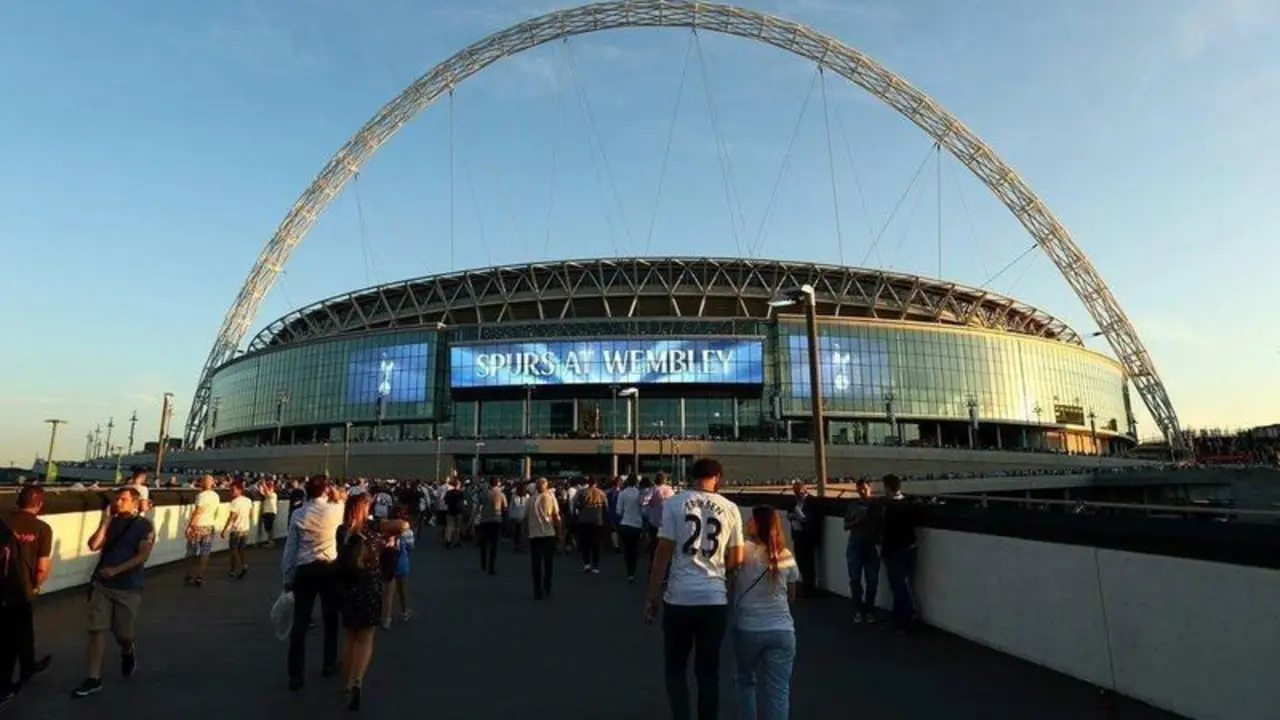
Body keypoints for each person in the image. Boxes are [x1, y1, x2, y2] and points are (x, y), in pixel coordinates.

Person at [645, 458, 745, 720]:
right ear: (718, 477)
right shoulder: (730, 508)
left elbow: (663, 552)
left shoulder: (674, 503)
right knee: (708, 672)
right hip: (714, 598)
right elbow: (736, 559)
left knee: (676, 667)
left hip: (679, 598)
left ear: (692, 476)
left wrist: (652, 595)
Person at [71, 487, 156, 698]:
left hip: (128, 587)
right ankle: (93, 678)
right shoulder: (112, 522)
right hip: (103, 586)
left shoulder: (144, 526)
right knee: (96, 630)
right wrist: (106, 521)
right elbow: (93, 545)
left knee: (123, 633)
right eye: (117, 499)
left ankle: (127, 650)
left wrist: (116, 570)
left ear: (135, 503)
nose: (119, 502)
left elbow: (143, 555)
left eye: (124, 499)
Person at [336, 493, 408, 711]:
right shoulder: (373, 529)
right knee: (366, 638)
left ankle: (346, 682)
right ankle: (358, 680)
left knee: (350, 636)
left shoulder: (343, 531)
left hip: (348, 587)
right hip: (369, 586)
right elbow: (403, 525)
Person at [732, 506, 801, 720]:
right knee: (779, 691)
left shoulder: (743, 551)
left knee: (745, 681)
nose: (746, 523)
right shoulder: (786, 555)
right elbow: (791, 596)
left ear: (758, 524)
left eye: (750, 520)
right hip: (782, 630)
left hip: (748, 627)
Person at [281, 476, 345, 691]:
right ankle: (329, 662)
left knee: (299, 623)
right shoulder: (335, 510)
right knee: (330, 618)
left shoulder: (299, 513)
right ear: (325, 490)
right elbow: (345, 506)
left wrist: (287, 578)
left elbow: (291, 549)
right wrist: (336, 497)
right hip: (329, 567)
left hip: (305, 569)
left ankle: (295, 675)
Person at [0, 486, 53, 706]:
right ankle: (6, 684)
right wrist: (36, 586)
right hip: (22, 588)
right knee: (15, 635)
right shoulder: (42, 529)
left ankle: (28, 665)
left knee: (16, 631)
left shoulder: (3, 521)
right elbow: (42, 566)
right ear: (39, 505)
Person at [879, 474, 919, 633]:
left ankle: (907, 615)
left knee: (897, 585)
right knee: (901, 584)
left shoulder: (888, 507)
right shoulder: (909, 504)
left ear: (887, 487)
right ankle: (900, 619)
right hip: (909, 547)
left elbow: (887, 532)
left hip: (894, 550)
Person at [844, 478, 881, 623]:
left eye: (865, 489)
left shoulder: (876, 505)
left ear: (870, 489)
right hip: (855, 547)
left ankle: (869, 610)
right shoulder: (853, 505)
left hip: (871, 548)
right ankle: (859, 610)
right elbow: (846, 525)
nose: (862, 492)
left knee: (872, 581)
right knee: (855, 580)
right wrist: (856, 521)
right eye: (859, 489)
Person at [524, 477, 561, 600]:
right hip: (549, 534)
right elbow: (556, 516)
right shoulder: (551, 498)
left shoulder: (530, 500)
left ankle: (537, 589)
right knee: (548, 562)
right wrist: (559, 533)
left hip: (535, 535)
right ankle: (547, 584)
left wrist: (526, 532)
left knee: (536, 562)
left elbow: (525, 517)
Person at [183, 475, 220, 587]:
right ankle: (200, 576)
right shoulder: (216, 496)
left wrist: (189, 526)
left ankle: (189, 574)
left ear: (203, 483)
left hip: (197, 526)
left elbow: (198, 511)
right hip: (209, 526)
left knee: (192, 552)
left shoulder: (201, 495)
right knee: (205, 552)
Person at [787, 480, 819, 597]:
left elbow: (813, 518)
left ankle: (809, 587)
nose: (797, 495)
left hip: (808, 535)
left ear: (804, 490)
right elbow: (789, 513)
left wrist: (802, 518)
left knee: (809, 562)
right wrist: (791, 516)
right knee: (800, 560)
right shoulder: (793, 501)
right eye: (795, 492)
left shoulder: (812, 501)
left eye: (798, 492)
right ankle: (806, 585)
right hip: (797, 534)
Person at [574, 477, 607, 573]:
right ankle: (595, 565)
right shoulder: (601, 493)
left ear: (588, 483)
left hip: (584, 520)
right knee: (596, 544)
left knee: (586, 543)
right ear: (596, 483)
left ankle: (587, 564)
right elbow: (606, 507)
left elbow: (575, 504)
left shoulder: (581, 492)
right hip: (597, 520)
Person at [221, 480, 253, 579]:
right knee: (242, 550)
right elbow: (251, 513)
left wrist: (224, 530)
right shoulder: (248, 500)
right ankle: (244, 565)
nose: (231, 492)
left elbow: (231, 517)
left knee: (233, 550)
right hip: (245, 528)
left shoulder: (234, 502)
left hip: (236, 529)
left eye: (233, 490)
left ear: (239, 490)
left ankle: (233, 570)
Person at [616, 475, 645, 582]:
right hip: (637, 524)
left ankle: (629, 572)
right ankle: (633, 571)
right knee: (635, 549)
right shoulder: (639, 494)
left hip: (625, 524)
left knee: (627, 550)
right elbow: (643, 509)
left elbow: (619, 511)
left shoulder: (622, 494)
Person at [477, 477, 507, 575]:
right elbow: (505, 508)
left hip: (485, 520)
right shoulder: (501, 494)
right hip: (496, 520)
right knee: (493, 545)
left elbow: (479, 504)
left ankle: (483, 563)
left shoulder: (484, 493)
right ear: (497, 483)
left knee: (483, 544)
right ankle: (491, 567)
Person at [508, 481, 530, 551]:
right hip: (522, 516)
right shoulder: (526, 496)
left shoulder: (515, 496)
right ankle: (521, 544)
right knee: (522, 531)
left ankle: (517, 544)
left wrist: (510, 515)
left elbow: (511, 507)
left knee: (518, 531)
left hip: (517, 515)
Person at [259, 478, 279, 547]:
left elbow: (267, 494)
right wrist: (262, 485)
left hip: (271, 512)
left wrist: (264, 485)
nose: (269, 488)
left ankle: (271, 541)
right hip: (266, 512)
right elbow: (262, 492)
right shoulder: (267, 494)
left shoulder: (274, 495)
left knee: (270, 528)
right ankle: (269, 541)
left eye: (270, 487)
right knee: (267, 528)